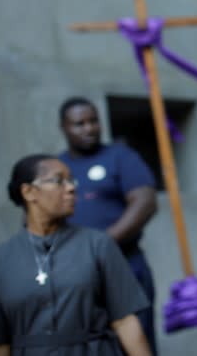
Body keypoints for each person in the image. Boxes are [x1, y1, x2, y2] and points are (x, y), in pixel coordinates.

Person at [0, 154, 151, 356]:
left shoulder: (97, 245)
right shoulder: (0, 260)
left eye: (71, 180)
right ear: (29, 192)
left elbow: (125, 322)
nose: (71, 188)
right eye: (59, 181)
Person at [58, 97, 158, 354]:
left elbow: (145, 202)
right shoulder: (57, 168)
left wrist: (99, 245)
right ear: (64, 128)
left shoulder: (120, 156)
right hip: (76, 274)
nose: (89, 128)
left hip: (125, 265)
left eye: (93, 121)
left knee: (137, 341)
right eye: (79, 124)